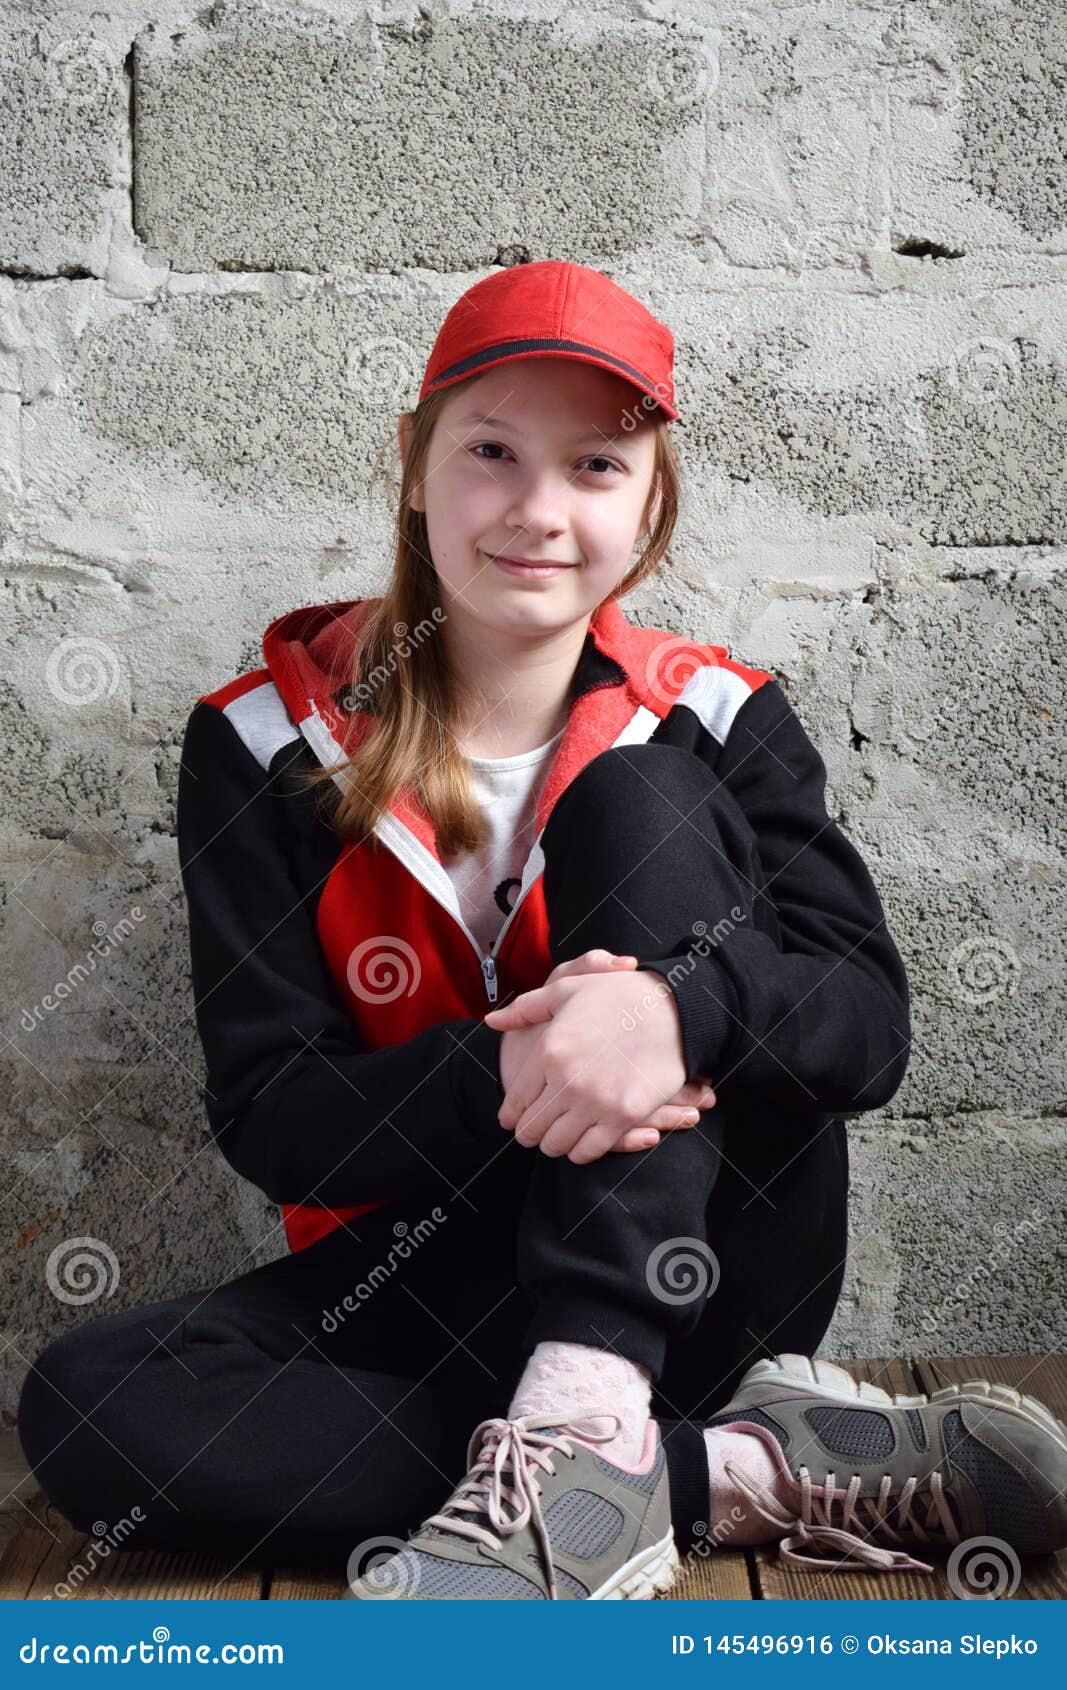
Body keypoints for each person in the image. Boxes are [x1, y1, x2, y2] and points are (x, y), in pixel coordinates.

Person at [17, 261, 1067, 1601]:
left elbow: (866, 1025)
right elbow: (274, 1112)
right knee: (91, 1403)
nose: (537, 509)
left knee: (634, 800)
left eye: (595, 466)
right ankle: (710, 1473)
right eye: (492, 451)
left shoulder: (715, 716)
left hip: (713, 1265)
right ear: (413, 463)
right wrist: (517, 1069)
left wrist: (680, 1013)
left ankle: (590, 1403)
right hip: (442, 1286)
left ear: (651, 503)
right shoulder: (262, 741)